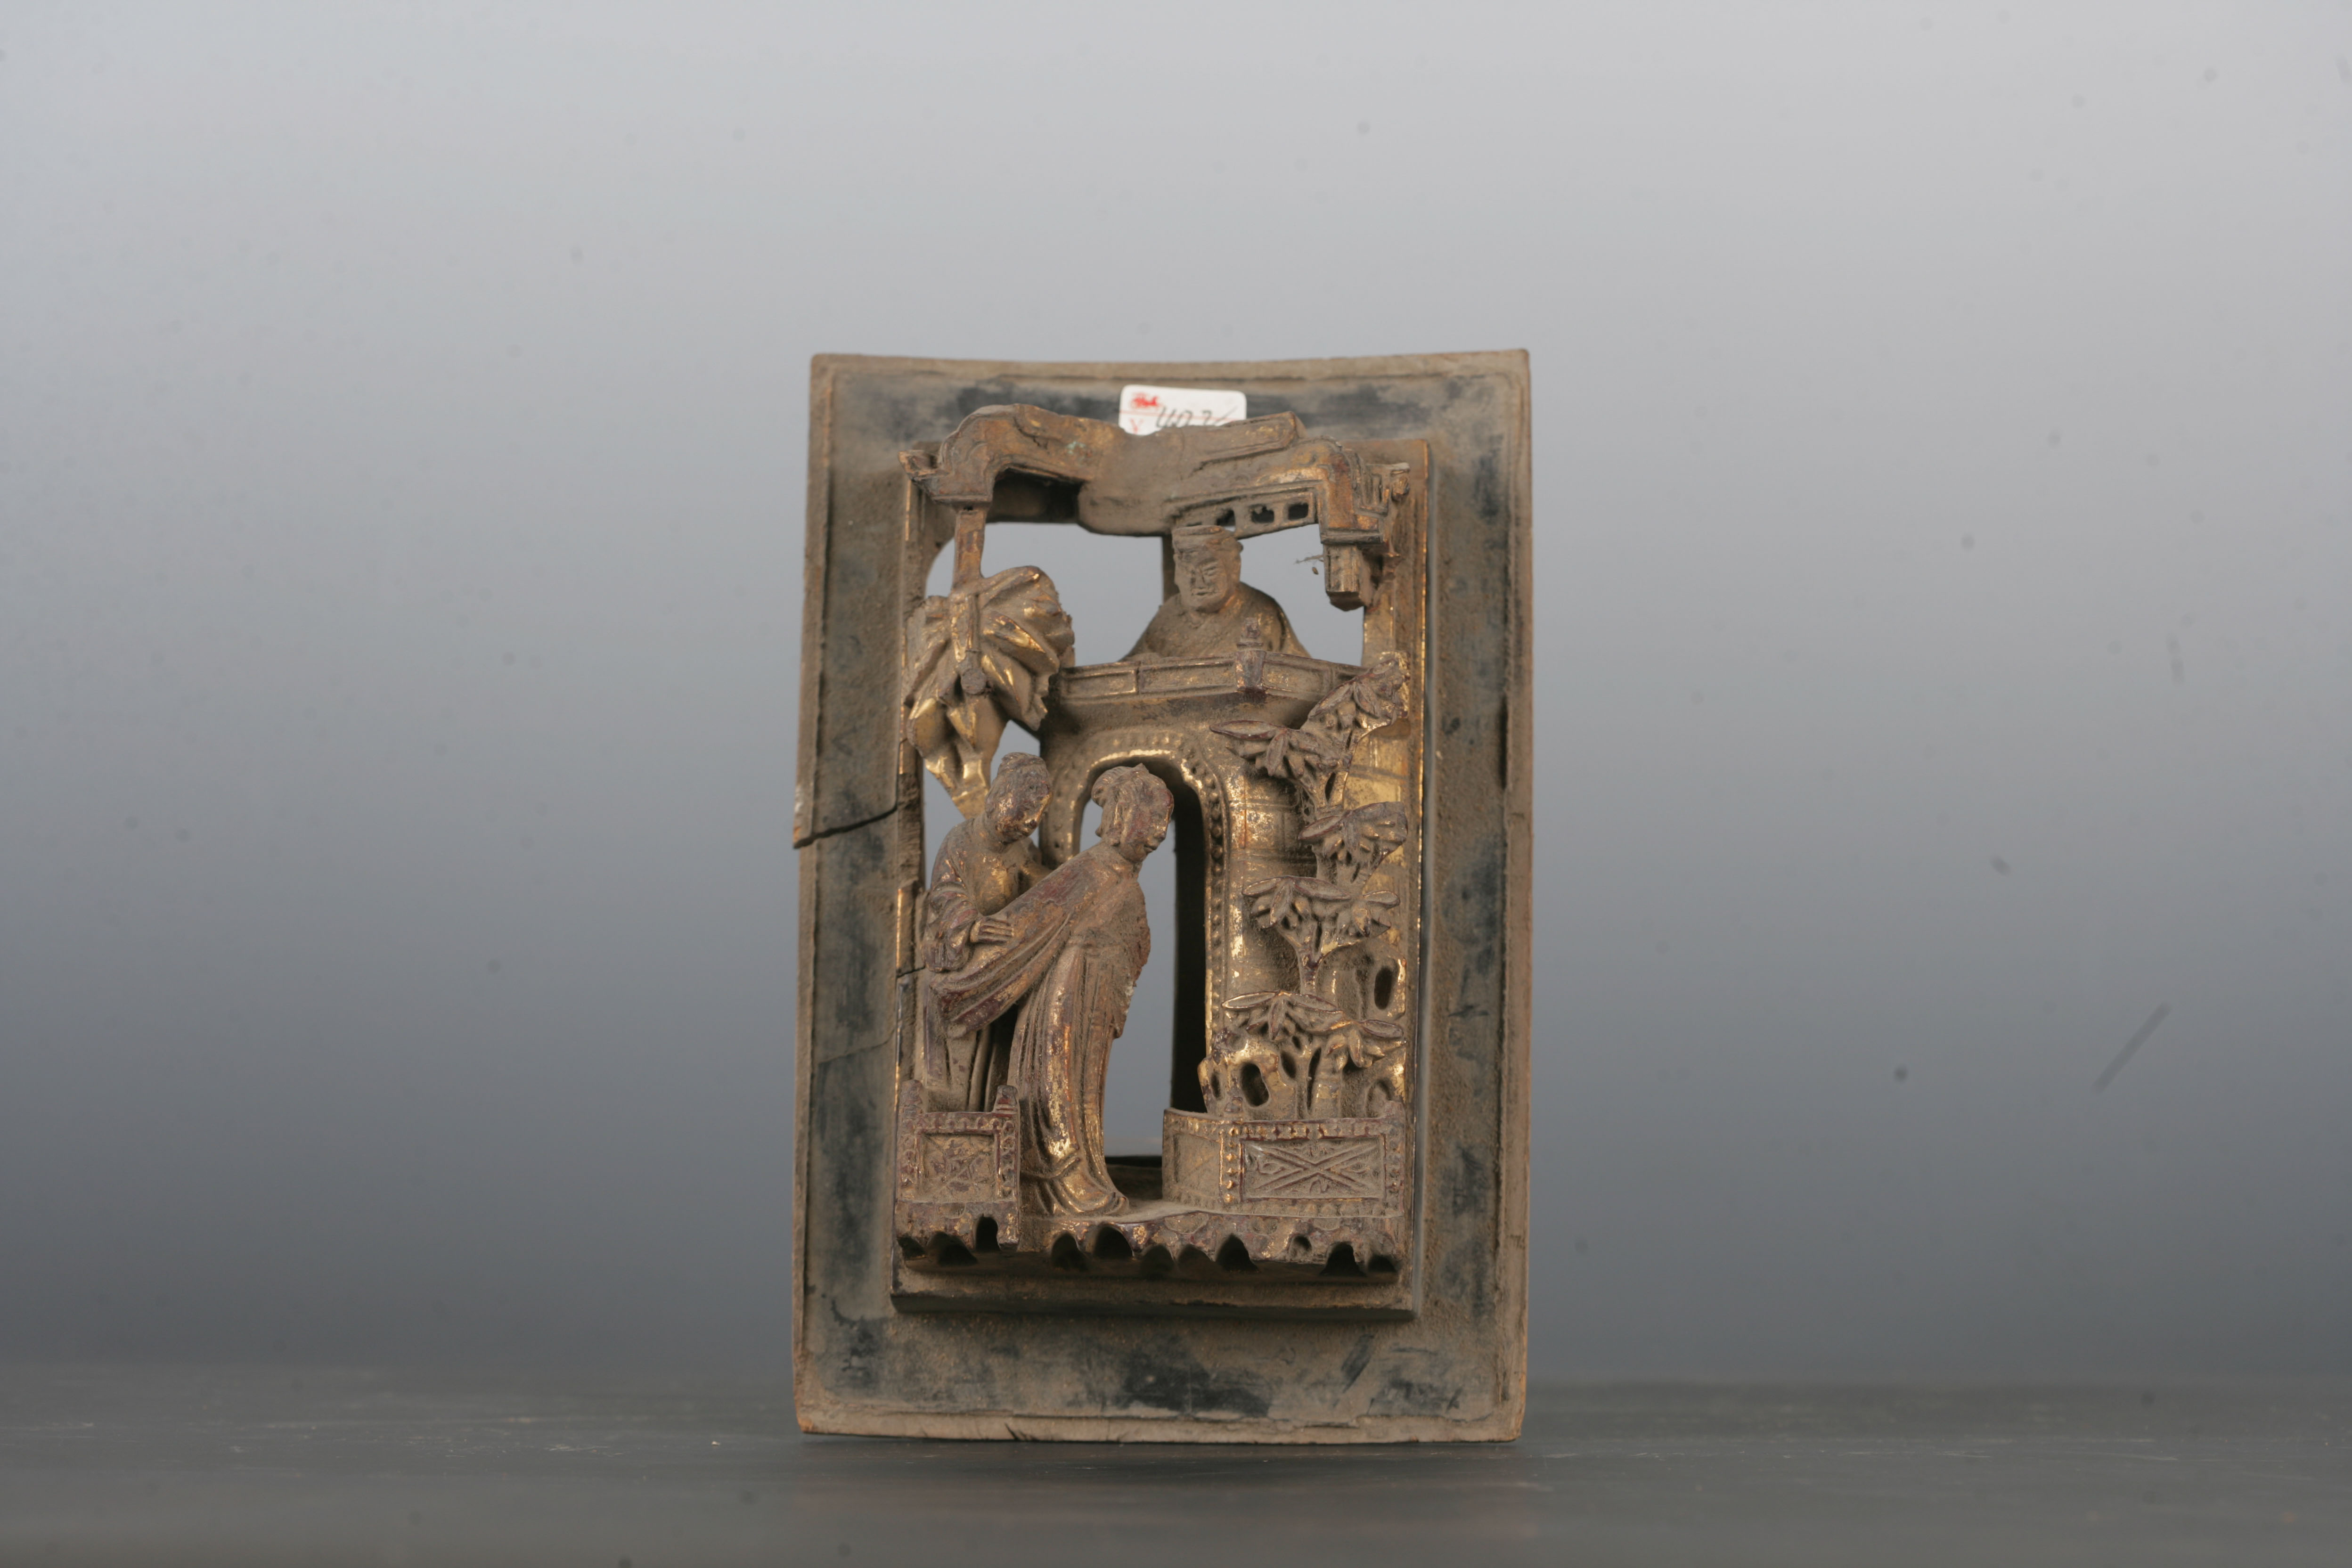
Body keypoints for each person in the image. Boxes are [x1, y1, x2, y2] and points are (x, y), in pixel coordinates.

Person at [931, 766, 1172, 1215]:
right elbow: (1026, 924)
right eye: (1152, 819)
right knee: (1057, 1087)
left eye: (1164, 822)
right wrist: (965, 976)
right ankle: (1061, 1182)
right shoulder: (1089, 871)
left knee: (1085, 1092)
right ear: (1121, 820)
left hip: (1096, 1002)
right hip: (1067, 1001)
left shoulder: (1115, 874)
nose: (1159, 832)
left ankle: (1085, 1174)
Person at [919, 753, 1051, 1111]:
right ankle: (955, 1103)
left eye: (1039, 815)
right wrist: (973, 926)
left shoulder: (1020, 849)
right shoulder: (960, 842)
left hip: (1003, 959)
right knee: (949, 1004)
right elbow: (946, 893)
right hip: (963, 958)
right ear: (1000, 796)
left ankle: (1000, 1098)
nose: (1031, 822)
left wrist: (1065, 883)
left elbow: (1034, 878)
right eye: (1026, 809)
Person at [1122, 523, 1307, 662]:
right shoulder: (1169, 613)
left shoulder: (1260, 611)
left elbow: (1297, 672)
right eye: (1189, 572)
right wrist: (1143, 663)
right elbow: (1129, 665)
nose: (1199, 583)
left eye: (1210, 571)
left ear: (1234, 569)